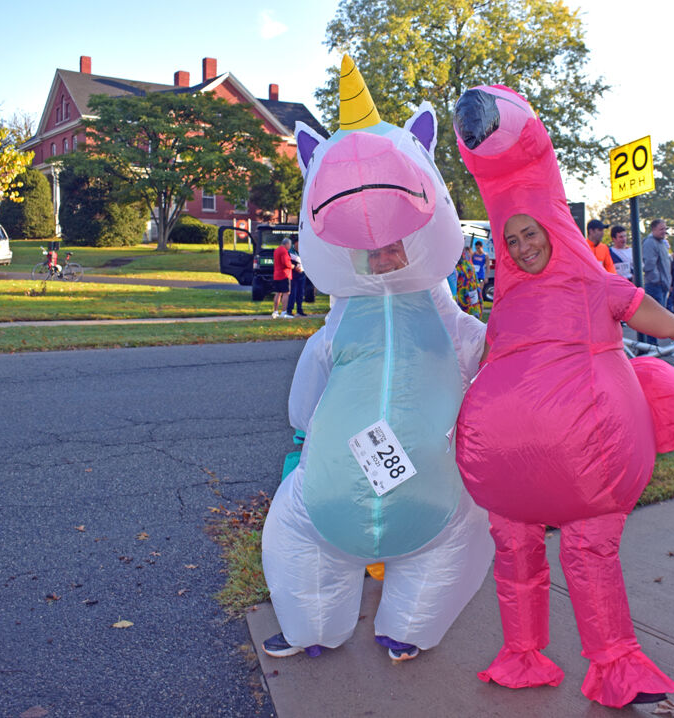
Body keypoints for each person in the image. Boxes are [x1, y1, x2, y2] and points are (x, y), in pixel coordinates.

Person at [452, 83, 674, 709]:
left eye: (529, 234)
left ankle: (615, 662)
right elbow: (487, 366)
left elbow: (670, 326)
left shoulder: (598, 288)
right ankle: (522, 653)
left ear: (552, 230)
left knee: (589, 554)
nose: (520, 246)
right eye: (510, 241)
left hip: (588, 469)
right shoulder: (506, 303)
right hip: (507, 479)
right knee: (514, 554)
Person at [261, 58, 494, 663]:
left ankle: (409, 627)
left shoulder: (452, 323)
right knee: (296, 538)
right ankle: (314, 626)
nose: (385, 258)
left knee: (454, 545)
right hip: (332, 491)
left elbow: (484, 356)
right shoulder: (341, 321)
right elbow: (305, 400)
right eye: (374, 250)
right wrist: (304, 432)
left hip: (434, 496)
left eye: (394, 246)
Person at [642, 219, 672, 306]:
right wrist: (657, 280)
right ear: (653, 229)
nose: (664, 232)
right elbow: (649, 264)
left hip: (663, 285)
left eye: (665, 229)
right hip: (655, 285)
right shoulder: (650, 243)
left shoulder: (662, 243)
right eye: (661, 229)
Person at [455, 246, 483, 317]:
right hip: (463, 300)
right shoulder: (452, 258)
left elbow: (475, 279)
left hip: (470, 298)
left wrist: (480, 299)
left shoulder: (466, 257)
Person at [284, 238, 308, 317]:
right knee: (293, 293)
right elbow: (288, 263)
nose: (299, 245)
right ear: (295, 243)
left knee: (300, 293)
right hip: (294, 275)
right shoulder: (290, 252)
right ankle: (289, 310)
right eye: (298, 244)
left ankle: (299, 310)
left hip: (302, 274)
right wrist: (295, 268)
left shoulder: (303, 251)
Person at [272, 238, 293, 319]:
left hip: (276, 274)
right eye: (289, 245)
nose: (290, 247)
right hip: (284, 275)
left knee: (278, 293)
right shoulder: (284, 251)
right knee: (286, 293)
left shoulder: (277, 250)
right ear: (287, 244)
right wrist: (292, 266)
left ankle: (275, 311)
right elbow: (286, 263)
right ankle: (284, 312)